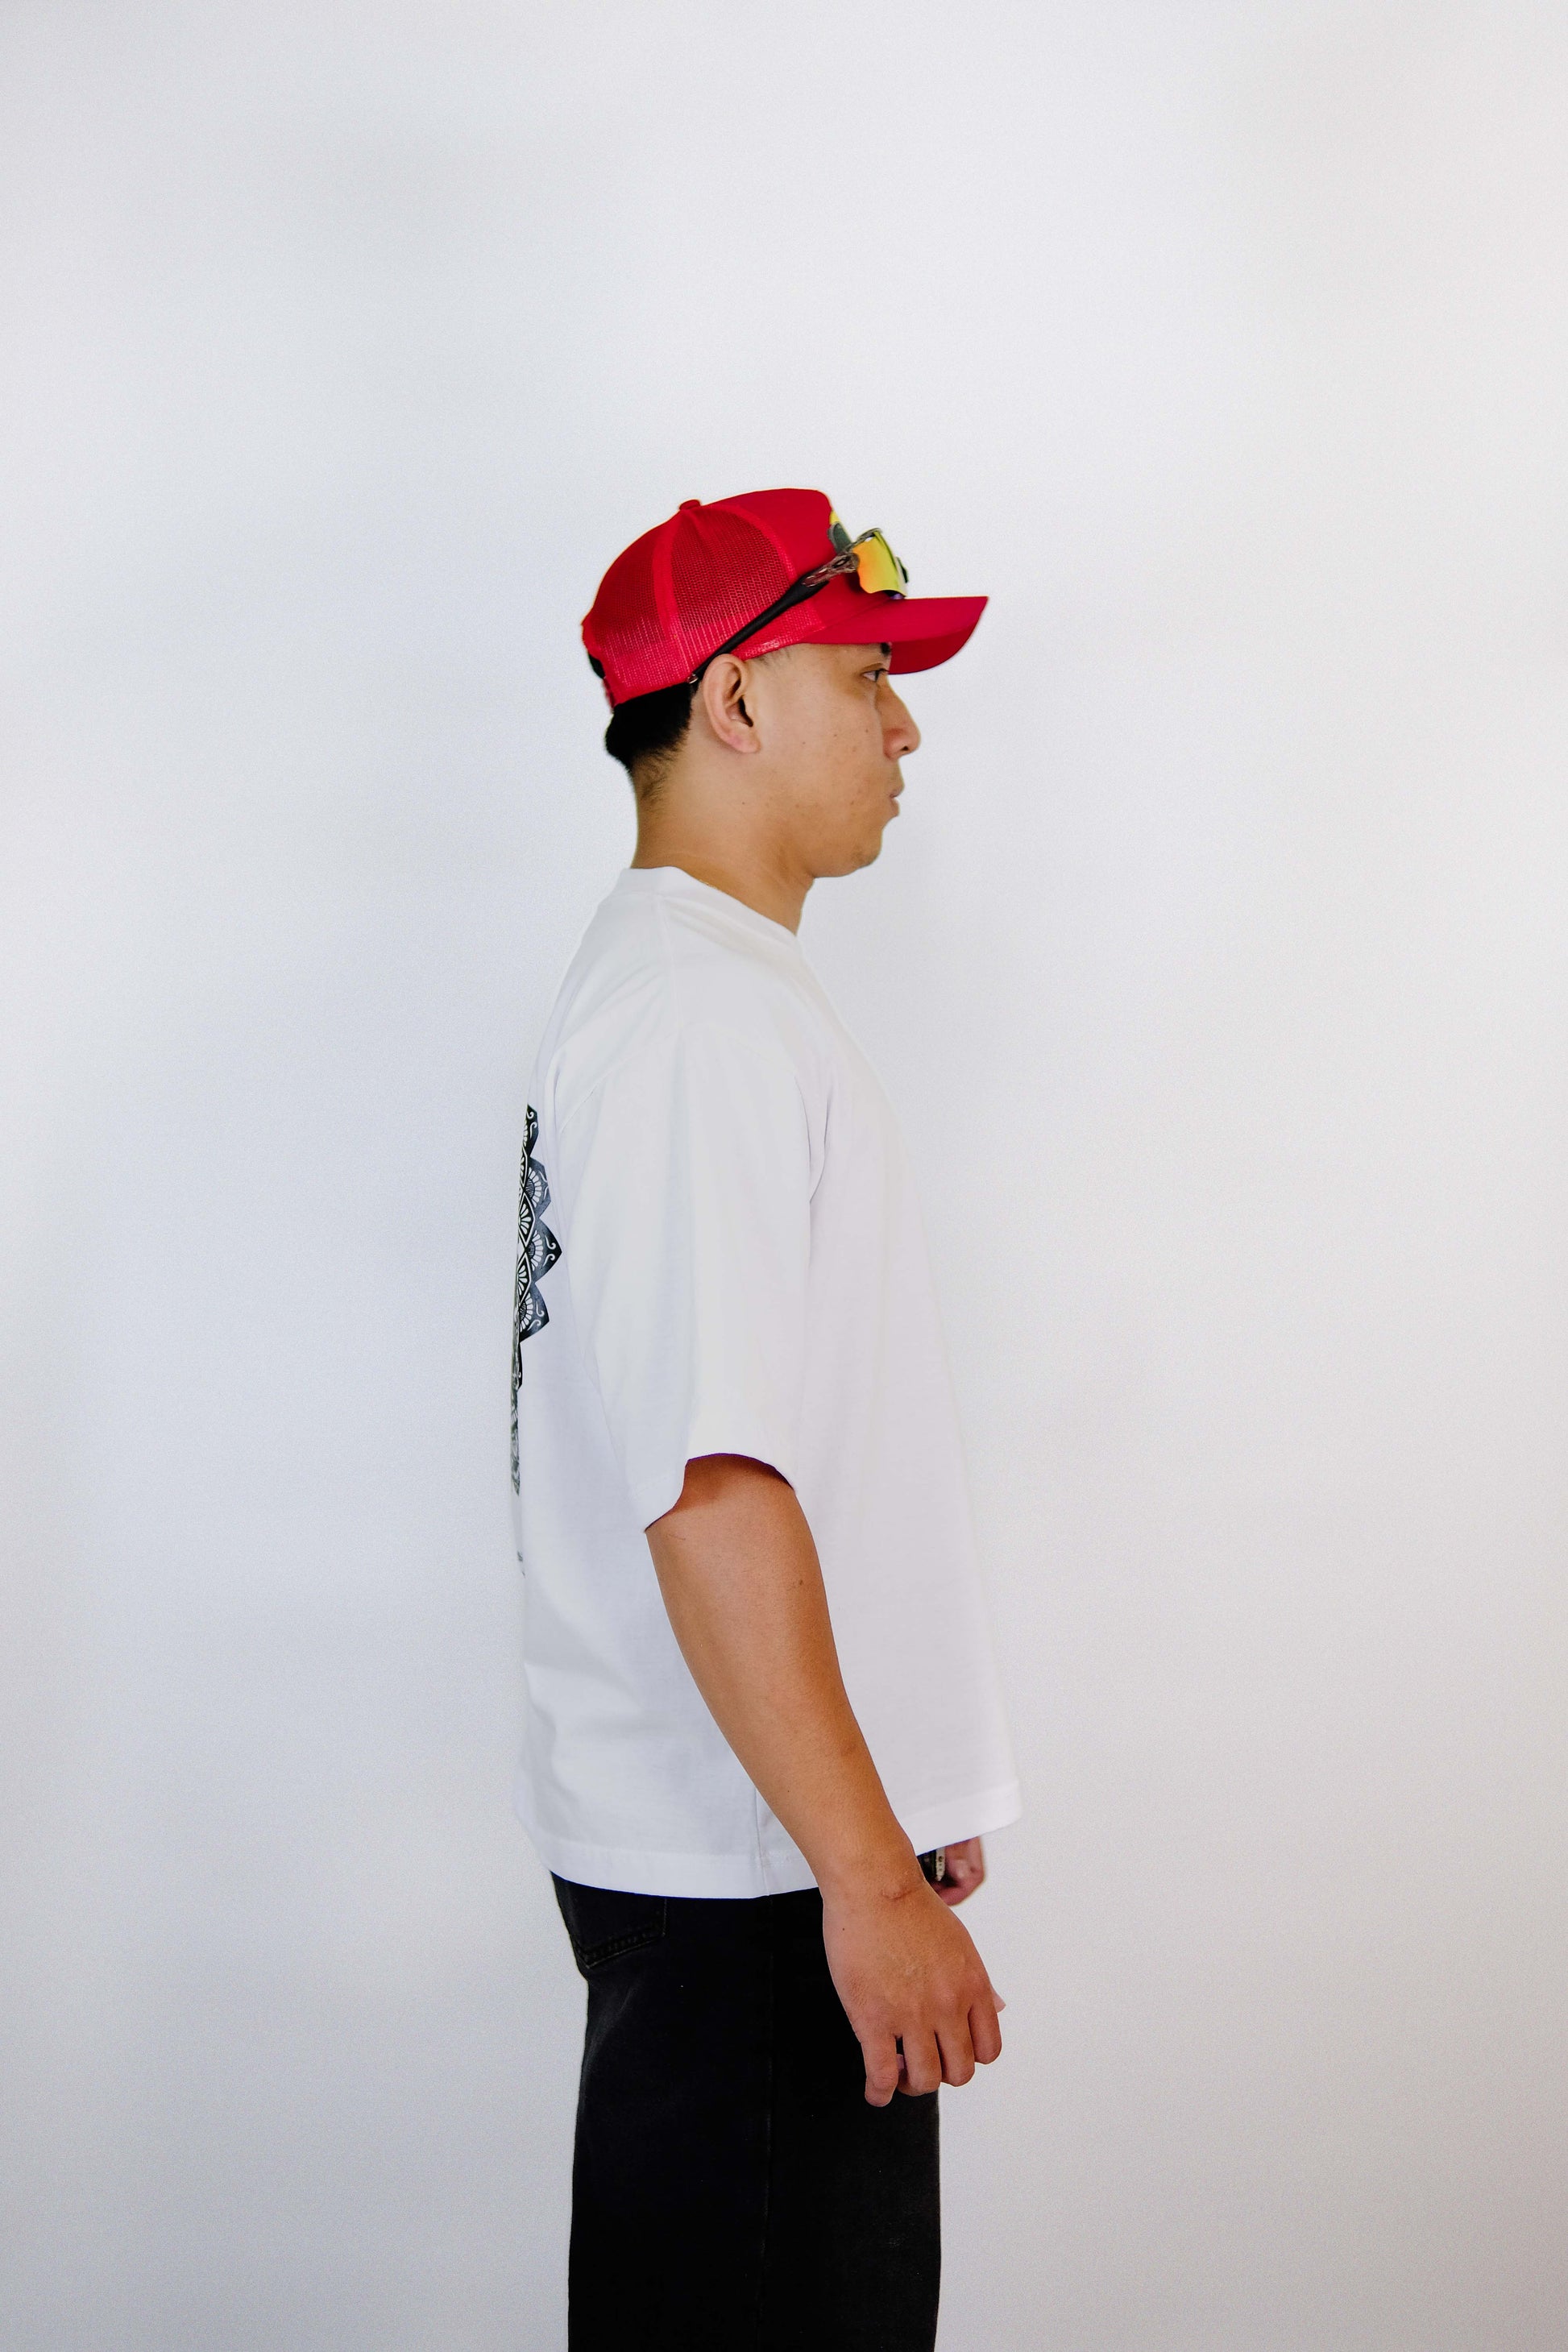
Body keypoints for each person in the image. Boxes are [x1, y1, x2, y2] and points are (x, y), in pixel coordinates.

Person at [509, 488, 1019, 2350]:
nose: (905, 725)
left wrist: (892, 1802)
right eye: (867, 674)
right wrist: (862, 1873)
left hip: (768, 1853)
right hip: (755, 1891)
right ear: (733, 699)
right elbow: (708, 1484)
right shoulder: (693, 1022)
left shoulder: (700, 991)